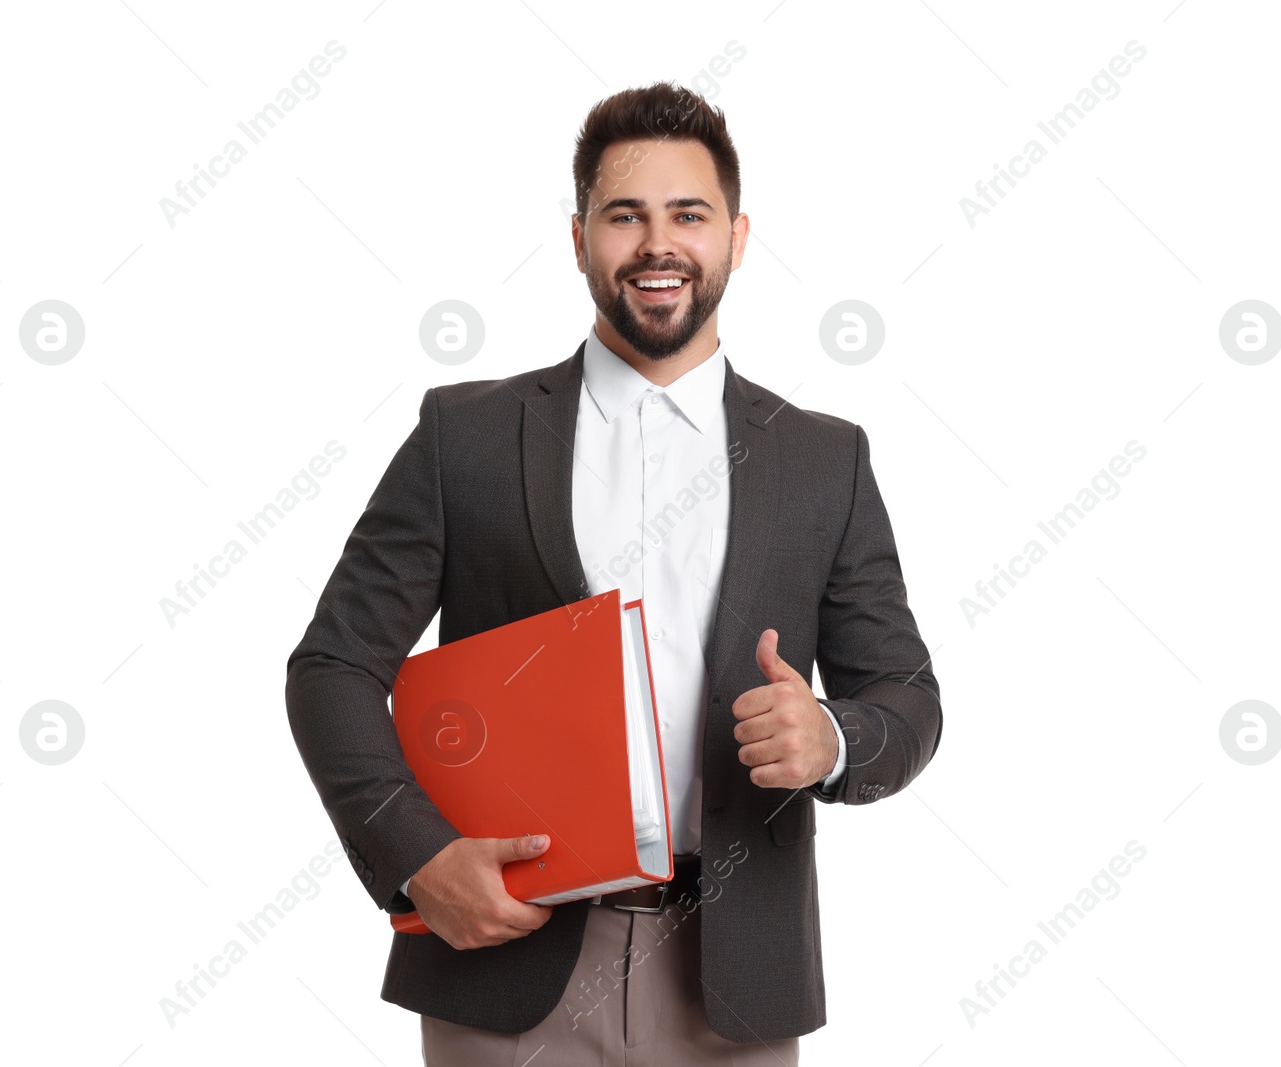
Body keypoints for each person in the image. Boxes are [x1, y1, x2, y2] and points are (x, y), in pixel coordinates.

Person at [285, 79, 943, 1066]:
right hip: (502, 964)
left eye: (688, 213)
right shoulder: (464, 437)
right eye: (623, 215)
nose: (656, 244)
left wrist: (834, 735)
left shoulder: (822, 459)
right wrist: (417, 855)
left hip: (735, 979)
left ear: (737, 235)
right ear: (579, 236)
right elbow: (332, 665)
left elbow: (906, 698)